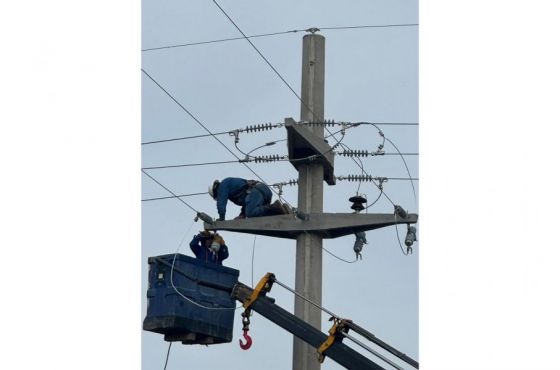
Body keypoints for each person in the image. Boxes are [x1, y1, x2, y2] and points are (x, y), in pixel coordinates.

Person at [208, 178, 289, 220]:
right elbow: (247, 201)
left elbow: (221, 204)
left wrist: (221, 218)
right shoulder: (231, 188)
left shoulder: (222, 186)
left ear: (216, 190)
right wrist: (242, 215)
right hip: (262, 191)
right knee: (260, 216)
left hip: (257, 191)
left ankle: (275, 206)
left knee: (251, 213)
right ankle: (282, 210)